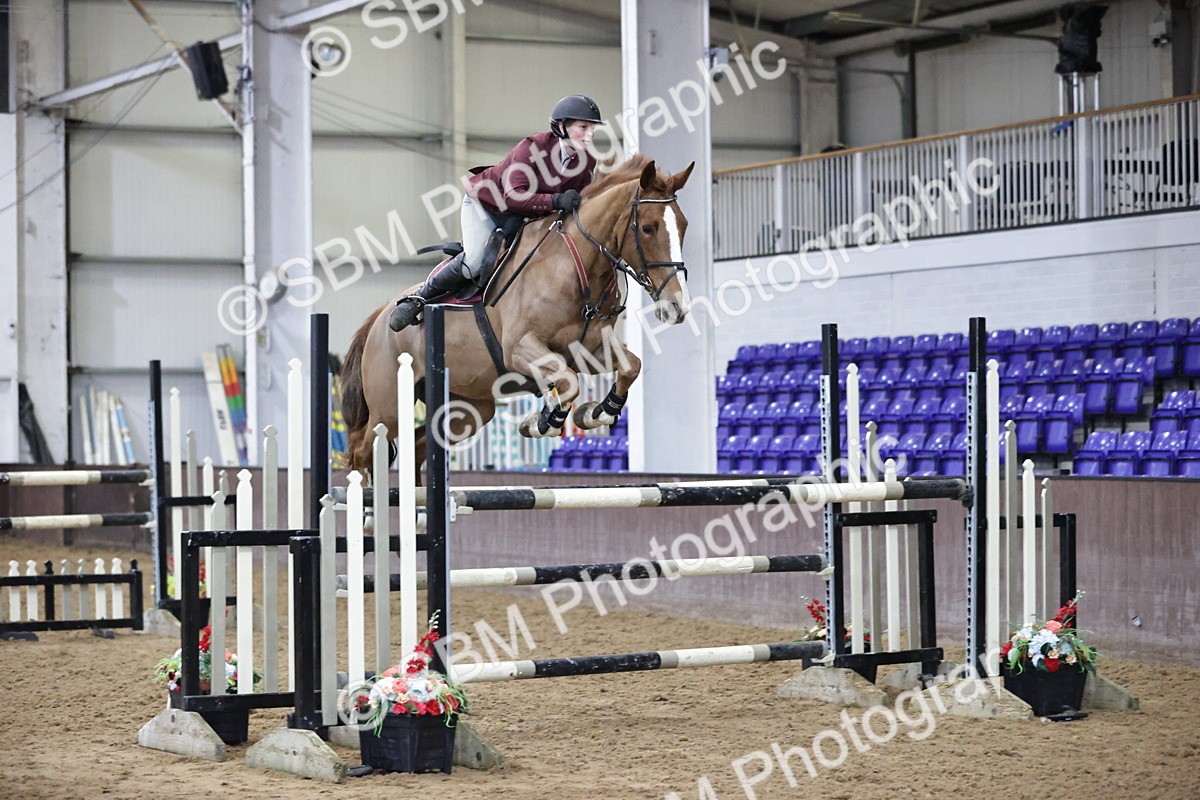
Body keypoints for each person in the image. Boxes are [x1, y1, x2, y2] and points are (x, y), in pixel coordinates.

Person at [388, 94, 604, 331]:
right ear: (562, 127)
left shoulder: (587, 160)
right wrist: (556, 200)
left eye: (592, 129)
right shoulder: (533, 148)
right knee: (476, 263)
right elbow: (514, 196)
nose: (590, 134)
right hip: (487, 205)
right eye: (583, 127)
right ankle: (419, 298)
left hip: (526, 216)